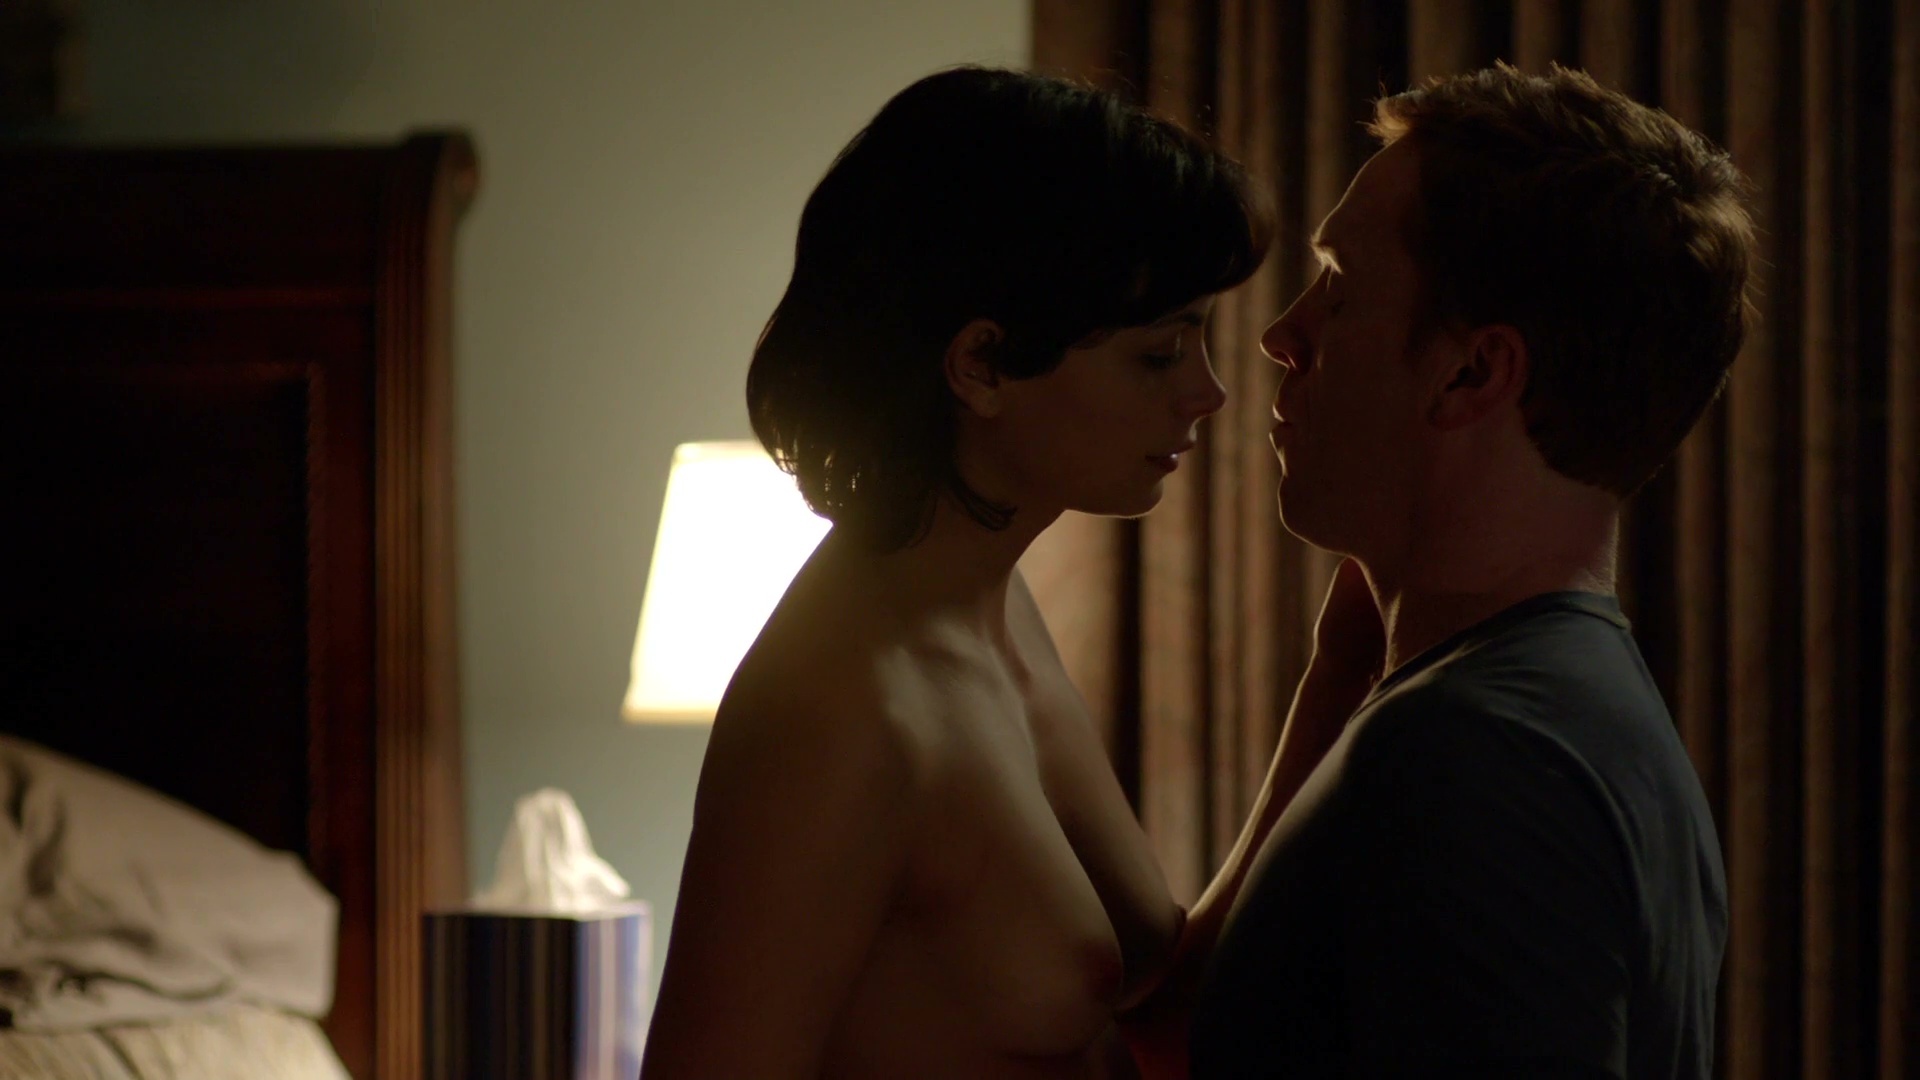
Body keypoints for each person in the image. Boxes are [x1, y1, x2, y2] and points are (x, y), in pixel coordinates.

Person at [638, 66, 1272, 1080]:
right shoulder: (843, 710)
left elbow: (1166, 991)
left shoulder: (996, 607)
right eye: (1160, 355)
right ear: (980, 364)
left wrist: (1347, 670)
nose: (1210, 393)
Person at [1128, 64, 1757, 1078]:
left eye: (1339, 288)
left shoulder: (1478, 757)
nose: (1281, 336)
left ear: (1470, 372)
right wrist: (1342, 679)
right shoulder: (1556, 712)